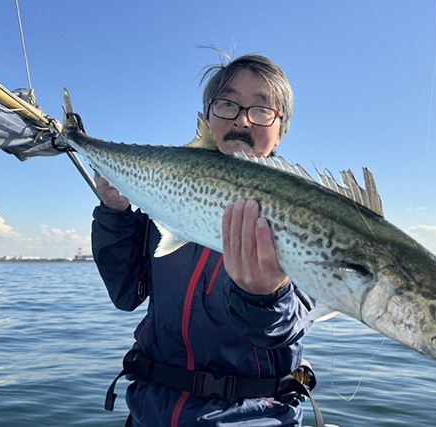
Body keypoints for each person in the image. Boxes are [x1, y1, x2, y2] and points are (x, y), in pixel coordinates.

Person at [92, 54, 315, 427]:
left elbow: (287, 328)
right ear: (208, 117)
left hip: (251, 420)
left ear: (281, 130)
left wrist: (265, 297)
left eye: (261, 110)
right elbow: (126, 293)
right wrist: (115, 214)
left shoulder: (301, 212)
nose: (242, 119)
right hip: (148, 413)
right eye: (227, 104)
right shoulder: (165, 193)